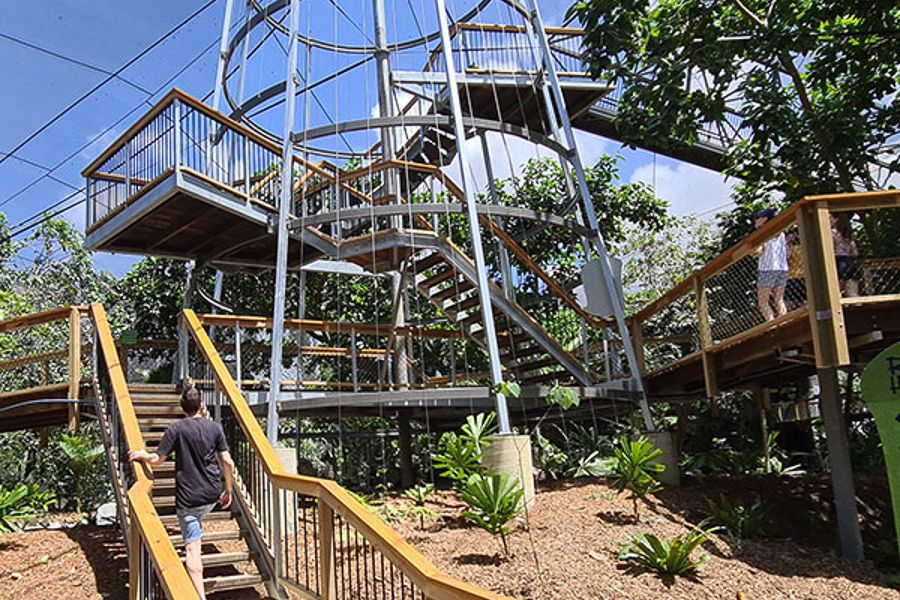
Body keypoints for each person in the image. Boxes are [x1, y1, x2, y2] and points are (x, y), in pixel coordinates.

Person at [128, 387, 235, 600]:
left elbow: (157, 460)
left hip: (189, 499)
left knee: (193, 549)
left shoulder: (176, 429)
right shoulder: (214, 428)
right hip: (212, 493)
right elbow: (227, 462)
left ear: (182, 407)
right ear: (201, 406)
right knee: (197, 522)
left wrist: (143, 455)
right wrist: (228, 490)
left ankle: (200, 597)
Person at [753, 208, 788, 320]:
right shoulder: (781, 233)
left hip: (767, 268)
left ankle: (771, 322)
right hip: (782, 268)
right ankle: (784, 320)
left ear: (764, 219)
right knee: (779, 299)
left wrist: (752, 249)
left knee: (763, 301)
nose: (755, 220)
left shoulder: (762, 233)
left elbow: (757, 252)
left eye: (757, 218)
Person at [830, 213, 859, 297]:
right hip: (849, 261)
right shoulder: (848, 234)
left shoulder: (833, 233)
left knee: (837, 291)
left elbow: (832, 248)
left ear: (836, 220)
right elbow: (855, 252)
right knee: (852, 290)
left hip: (838, 261)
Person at [784, 231, 806, 310]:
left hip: (793, 278)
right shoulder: (804, 249)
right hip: (800, 277)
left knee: (789, 304)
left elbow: (787, 257)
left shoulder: (791, 249)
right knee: (802, 302)